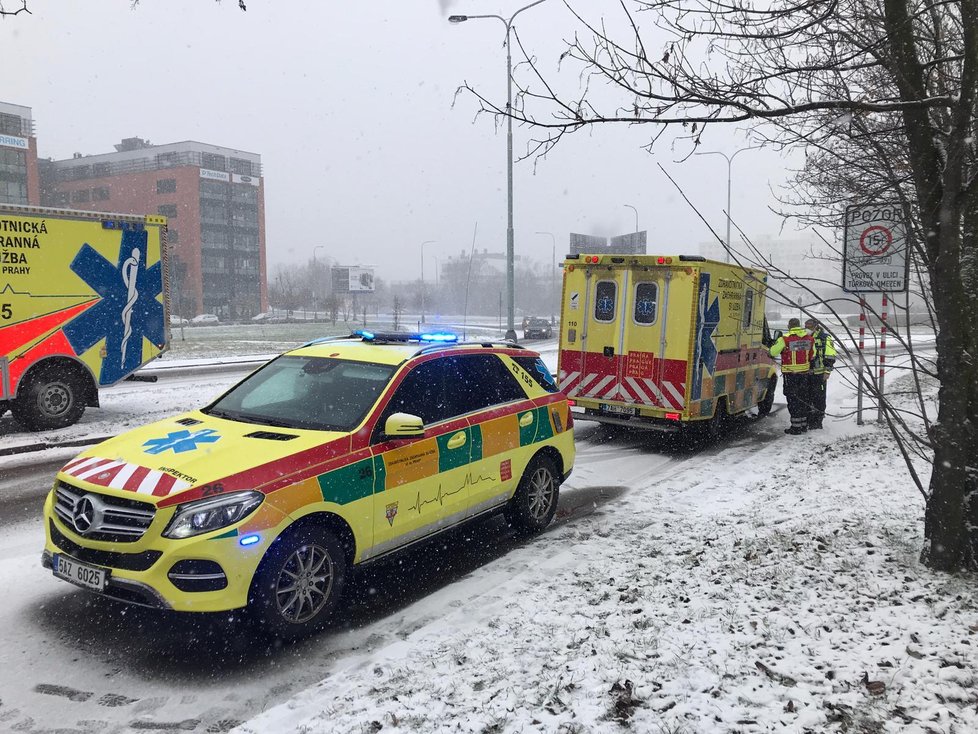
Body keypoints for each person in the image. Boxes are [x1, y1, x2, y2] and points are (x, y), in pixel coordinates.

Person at [768, 317, 815, 435]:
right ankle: (803, 425)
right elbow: (812, 355)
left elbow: (773, 352)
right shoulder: (809, 339)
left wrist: (769, 352)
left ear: (789, 326)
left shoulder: (785, 339)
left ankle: (795, 427)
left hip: (791, 375)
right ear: (799, 326)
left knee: (793, 400)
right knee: (803, 399)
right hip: (804, 375)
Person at [805, 318, 837, 429]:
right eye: (806, 326)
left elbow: (830, 355)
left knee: (819, 399)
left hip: (819, 375)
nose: (807, 329)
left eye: (809, 326)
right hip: (806, 374)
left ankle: (817, 422)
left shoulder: (824, 338)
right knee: (807, 398)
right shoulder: (804, 338)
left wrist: (827, 371)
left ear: (816, 326)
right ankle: (809, 420)